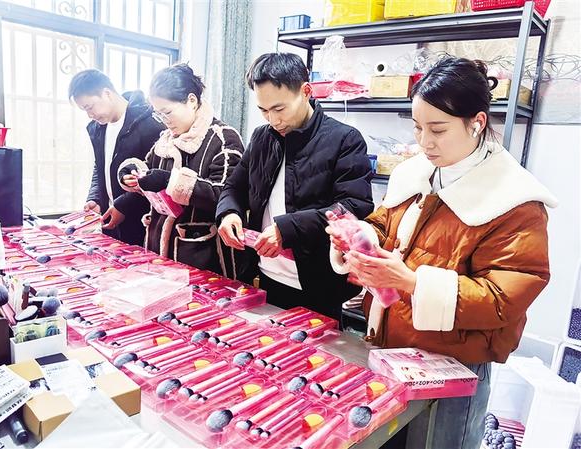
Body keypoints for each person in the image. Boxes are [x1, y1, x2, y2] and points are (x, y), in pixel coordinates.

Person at [327, 57, 557, 449]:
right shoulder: (415, 174)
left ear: (477, 123)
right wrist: (360, 238)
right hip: (390, 348)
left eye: (438, 129)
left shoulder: (515, 201)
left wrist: (413, 283)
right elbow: (385, 223)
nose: (424, 142)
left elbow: (505, 298)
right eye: (417, 127)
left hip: (454, 366)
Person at [216, 52, 374, 321]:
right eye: (264, 110)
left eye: (279, 109)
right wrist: (229, 212)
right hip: (265, 274)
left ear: (306, 91)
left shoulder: (344, 139)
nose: (273, 120)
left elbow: (353, 206)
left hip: (317, 283)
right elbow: (234, 186)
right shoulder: (262, 137)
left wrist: (287, 229)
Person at [105, 64, 245, 277]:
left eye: (168, 112)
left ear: (191, 101)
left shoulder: (223, 139)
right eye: (159, 114)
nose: (165, 121)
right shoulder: (166, 140)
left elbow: (225, 195)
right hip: (159, 249)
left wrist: (170, 181)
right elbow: (146, 166)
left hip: (203, 255)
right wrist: (131, 173)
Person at [69, 69, 164, 245]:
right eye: (84, 110)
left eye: (90, 107)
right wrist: (95, 198)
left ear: (107, 93)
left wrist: (123, 205)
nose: (90, 115)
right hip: (111, 221)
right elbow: (100, 166)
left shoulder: (149, 123)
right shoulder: (97, 128)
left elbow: (157, 174)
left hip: (143, 222)